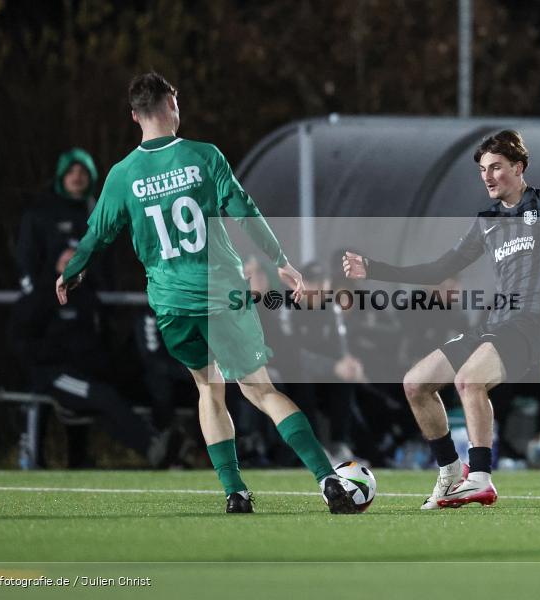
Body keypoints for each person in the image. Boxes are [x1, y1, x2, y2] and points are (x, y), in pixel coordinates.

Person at [56, 72, 357, 514]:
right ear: (171, 106)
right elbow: (243, 209)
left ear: (134, 115)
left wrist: (72, 272)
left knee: (208, 390)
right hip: (221, 296)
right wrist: (279, 260)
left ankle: (235, 492)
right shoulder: (203, 156)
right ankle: (327, 478)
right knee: (260, 390)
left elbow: (97, 233)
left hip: (173, 306)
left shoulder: (123, 174)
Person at [343, 129, 540, 508]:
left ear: (519, 168)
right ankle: (449, 472)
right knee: (416, 384)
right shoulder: (487, 220)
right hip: (496, 323)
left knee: (469, 381)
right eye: (482, 170)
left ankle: (480, 478)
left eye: (496, 167)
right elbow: (438, 269)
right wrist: (372, 268)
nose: (487, 176)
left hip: (532, 323)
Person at [10, 248, 173, 468]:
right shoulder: (40, 296)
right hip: (55, 374)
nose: (72, 265)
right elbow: (23, 342)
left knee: (113, 398)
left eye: (77, 261)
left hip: (86, 373)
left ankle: (162, 446)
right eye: (66, 260)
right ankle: (154, 446)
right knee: (104, 396)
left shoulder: (89, 298)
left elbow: (101, 340)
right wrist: (54, 358)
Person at [16, 148, 104, 295]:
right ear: (62, 176)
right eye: (70, 172)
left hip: (89, 297)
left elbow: (107, 262)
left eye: (83, 172)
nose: (77, 177)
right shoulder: (40, 214)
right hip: (46, 295)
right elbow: (27, 255)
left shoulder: (101, 215)